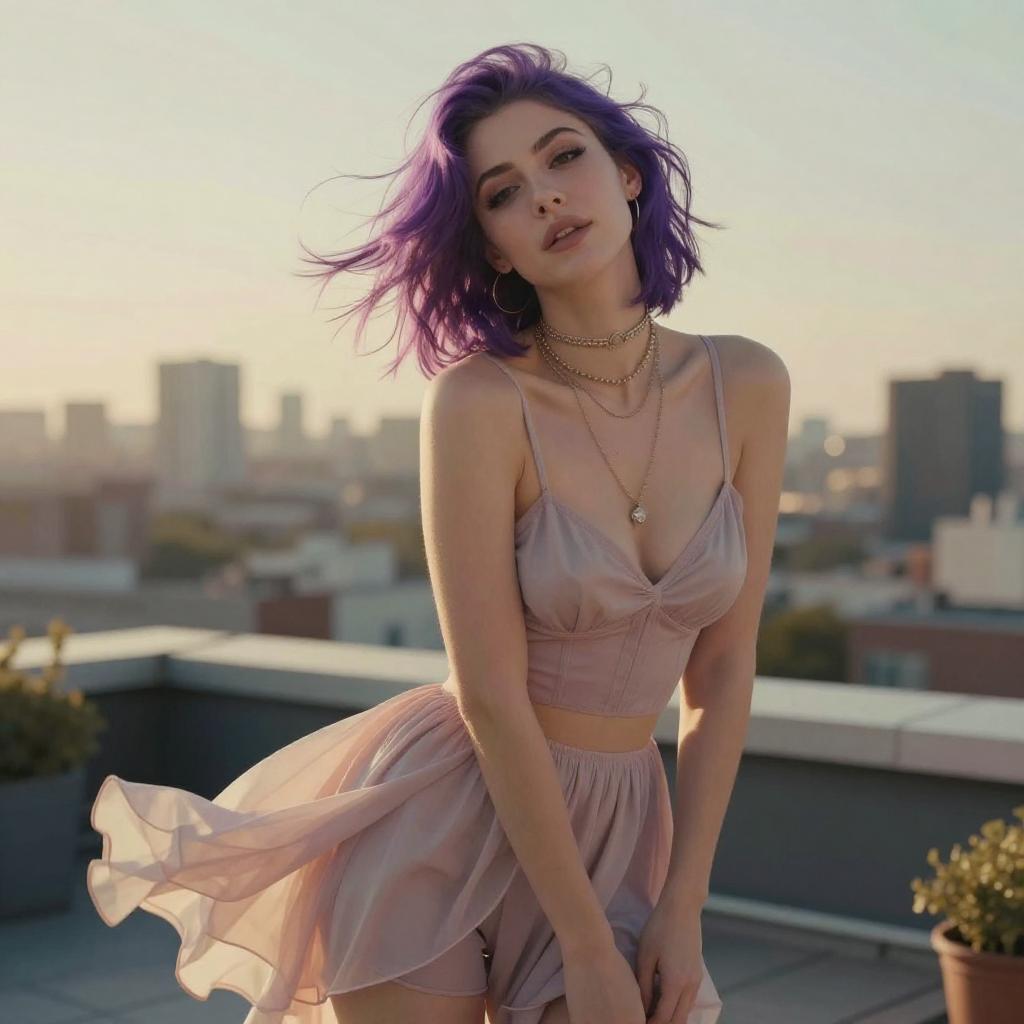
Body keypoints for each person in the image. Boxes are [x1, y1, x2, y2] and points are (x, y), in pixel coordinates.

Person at [87, 42, 789, 1024]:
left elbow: (720, 672)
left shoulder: (747, 384)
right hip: (452, 810)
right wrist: (585, 947)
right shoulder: (477, 403)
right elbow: (489, 693)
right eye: (503, 192)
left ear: (627, 174)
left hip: (624, 825)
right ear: (492, 244)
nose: (544, 197)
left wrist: (683, 905)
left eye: (563, 158)